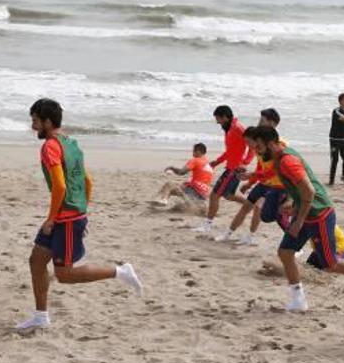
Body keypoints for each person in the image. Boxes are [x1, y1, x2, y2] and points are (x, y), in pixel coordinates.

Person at [17, 98, 143, 330]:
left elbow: (60, 186)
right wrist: (82, 209)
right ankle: (40, 317)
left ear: (47, 121)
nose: (33, 126)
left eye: (35, 121)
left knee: (64, 274)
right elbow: (87, 180)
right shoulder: (72, 143)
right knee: (36, 262)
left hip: (64, 219)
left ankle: (120, 271)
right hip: (71, 214)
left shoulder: (50, 146)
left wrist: (52, 218)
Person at [247, 126, 344, 311]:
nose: (255, 151)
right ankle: (299, 300)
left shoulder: (287, 161)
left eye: (258, 147)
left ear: (271, 144)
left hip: (319, 215)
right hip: (306, 212)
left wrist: (298, 221)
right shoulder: (279, 158)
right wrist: (294, 204)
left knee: (330, 264)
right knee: (285, 252)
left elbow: (310, 190)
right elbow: (298, 188)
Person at [215, 109, 287, 244]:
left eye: (262, 120)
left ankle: (293, 246)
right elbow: (261, 166)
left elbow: (276, 170)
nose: (258, 123)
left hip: (278, 186)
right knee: (246, 207)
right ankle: (229, 234)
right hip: (264, 183)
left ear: (272, 123)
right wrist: (250, 182)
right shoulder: (260, 143)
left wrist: (251, 176)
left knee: (270, 213)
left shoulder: (278, 144)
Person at [194, 105, 255, 233]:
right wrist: (217, 161)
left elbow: (252, 146)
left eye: (218, 119)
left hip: (234, 169)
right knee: (228, 195)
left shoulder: (238, 128)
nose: (217, 122)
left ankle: (207, 225)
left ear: (225, 117)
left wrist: (245, 163)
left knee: (214, 196)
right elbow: (230, 151)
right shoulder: (229, 129)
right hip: (231, 167)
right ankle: (251, 204)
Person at [151, 142, 213, 209]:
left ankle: (163, 200)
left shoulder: (195, 160)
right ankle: (160, 199)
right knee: (180, 204)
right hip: (204, 194)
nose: (193, 154)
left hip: (193, 191)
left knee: (169, 184)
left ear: (198, 151)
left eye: (194, 151)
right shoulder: (207, 164)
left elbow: (181, 172)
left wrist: (172, 168)